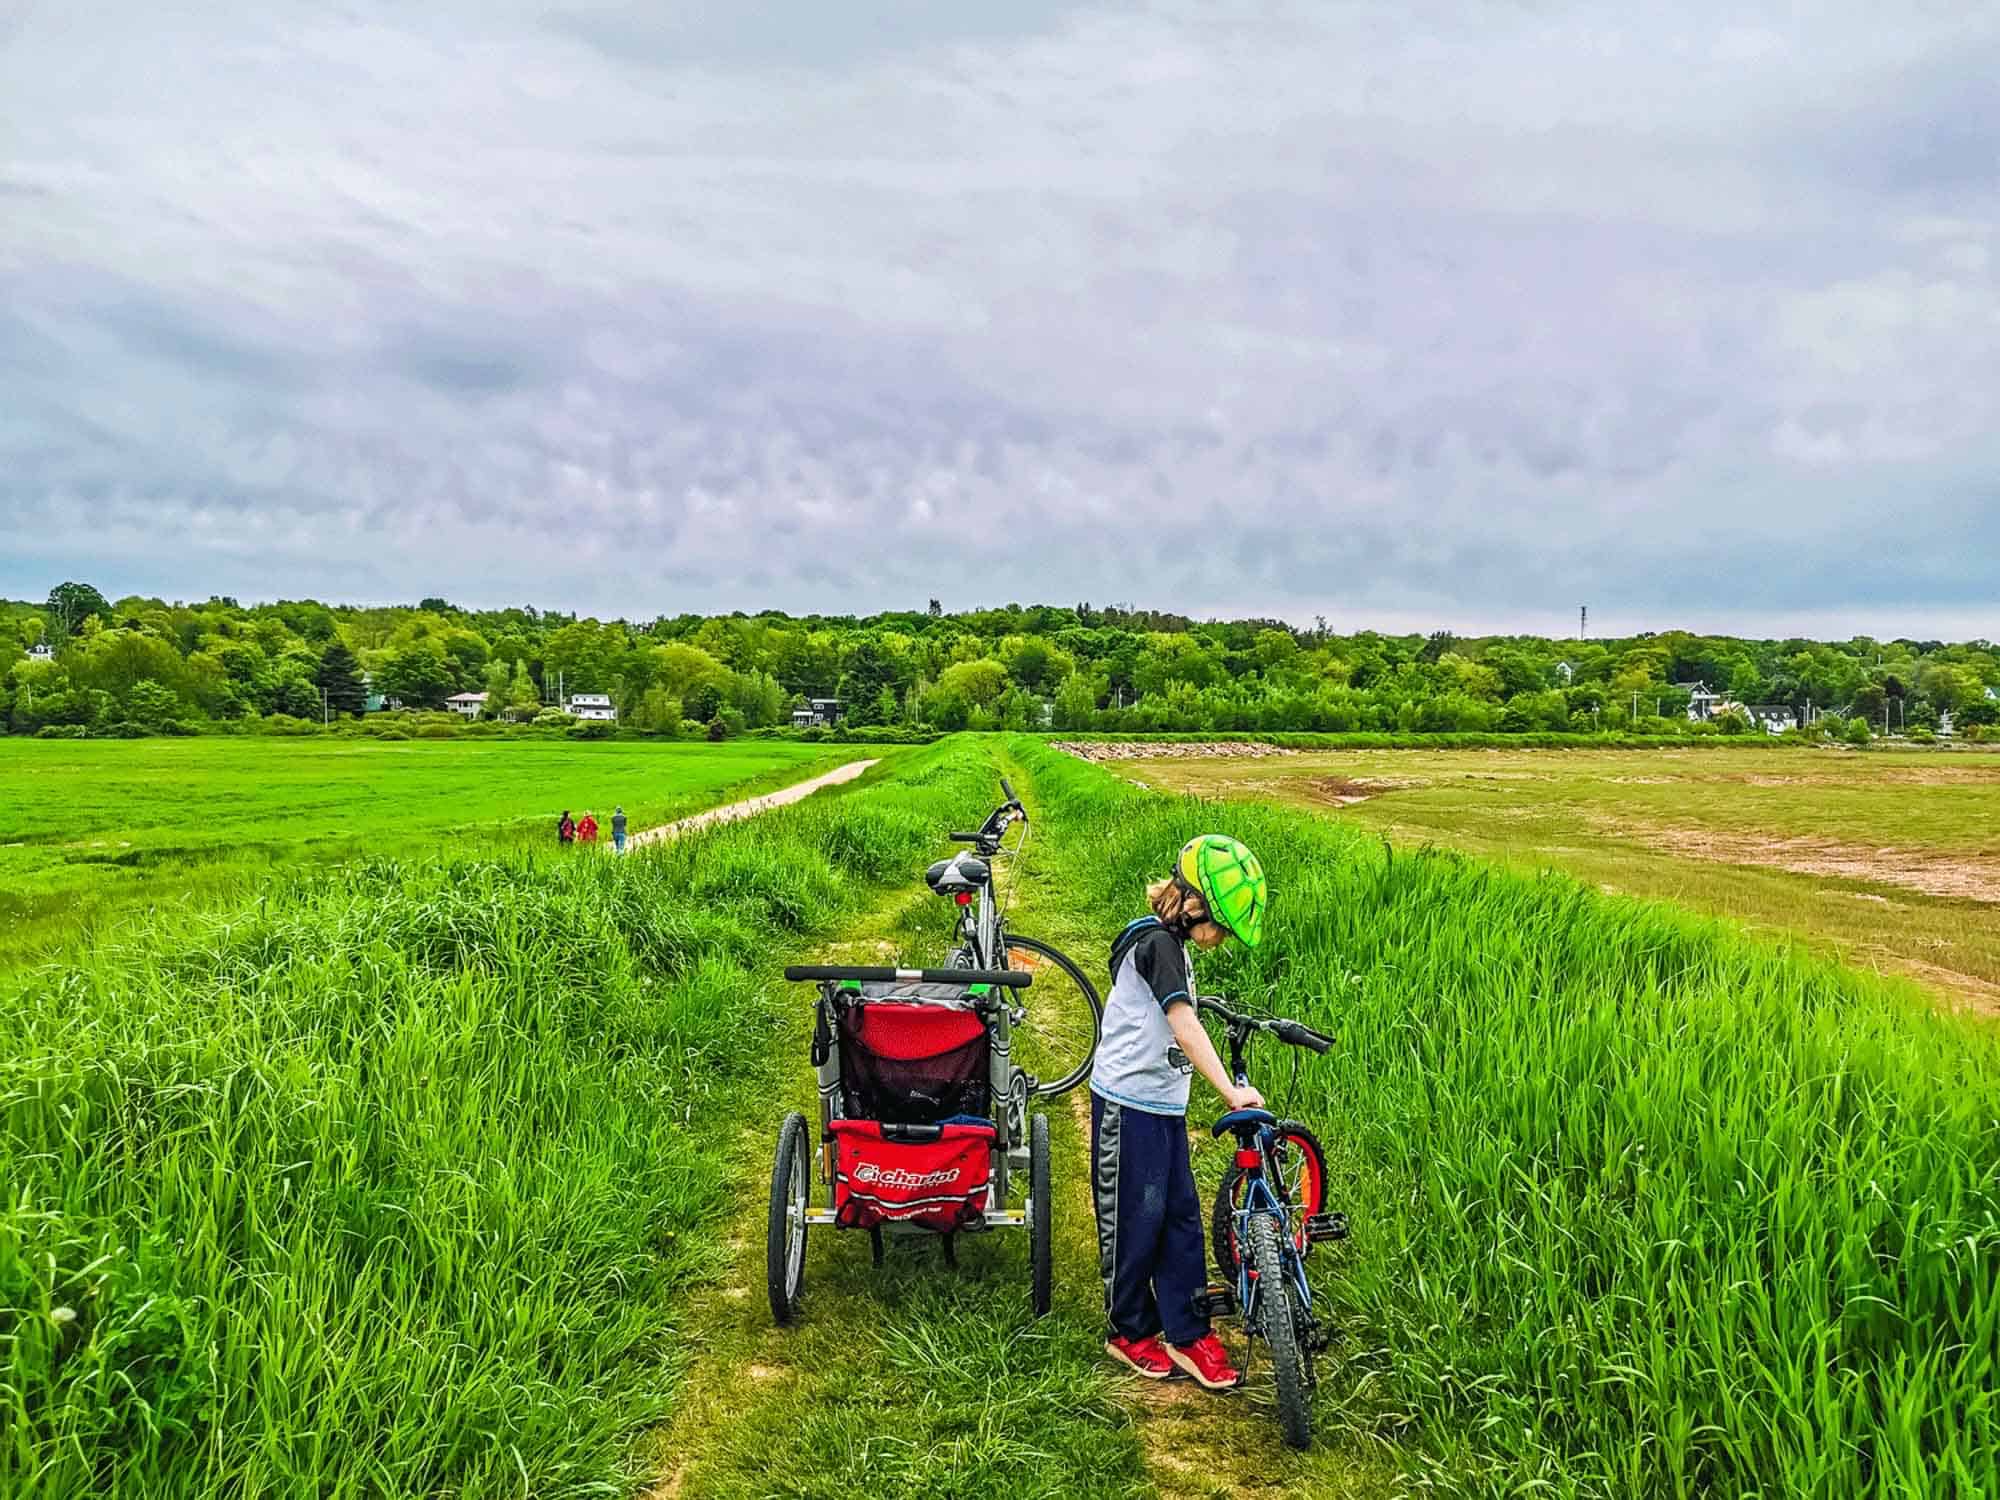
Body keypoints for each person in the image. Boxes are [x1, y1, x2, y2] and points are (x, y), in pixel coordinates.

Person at [1091, 833, 1268, 1390]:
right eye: (1219, 926)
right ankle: (1130, 1330)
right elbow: (1184, 1023)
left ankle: (1187, 1330)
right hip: (1127, 1102)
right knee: (1134, 1221)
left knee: (1180, 1217)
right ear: (1191, 904)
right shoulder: (1158, 946)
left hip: (1163, 1103)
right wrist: (1230, 1093)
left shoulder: (1176, 947)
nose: (1219, 940)